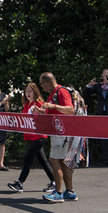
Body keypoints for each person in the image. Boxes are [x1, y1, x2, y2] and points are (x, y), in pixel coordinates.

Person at [33, 72, 80, 203]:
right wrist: (41, 111)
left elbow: (70, 109)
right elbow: (53, 112)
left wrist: (52, 106)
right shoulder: (53, 94)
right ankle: (69, 192)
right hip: (58, 131)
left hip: (62, 132)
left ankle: (58, 192)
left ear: (46, 82)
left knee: (54, 160)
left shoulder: (60, 91)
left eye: (42, 85)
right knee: (63, 162)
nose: (42, 88)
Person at [7, 82, 56, 195]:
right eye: (27, 91)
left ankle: (20, 182)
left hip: (39, 136)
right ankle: (54, 182)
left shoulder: (39, 103)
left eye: (30, 91)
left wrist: (38, 112)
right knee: (43, 161)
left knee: (28, 158)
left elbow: (45, 117)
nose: (28, 93)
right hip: (32, 136)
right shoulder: (27, 104)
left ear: (35, 92)